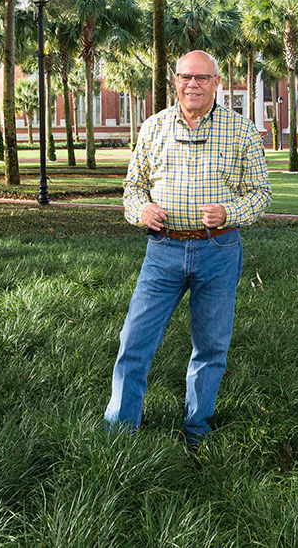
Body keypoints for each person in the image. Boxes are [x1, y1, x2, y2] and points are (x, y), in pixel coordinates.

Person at [105, 50, 272, 444]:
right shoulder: (153, 127)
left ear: (216, 82)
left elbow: (261, 193)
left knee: (211, 346)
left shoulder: (242, 130)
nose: (192, 84)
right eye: (185, 77)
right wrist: (141, 209)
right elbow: (133, 187)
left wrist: (229, 212)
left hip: (219, 250)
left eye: (201, 77)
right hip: (162, 251)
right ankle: (120, 428)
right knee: (134, 341)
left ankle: (198, 428)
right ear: (175, 81)